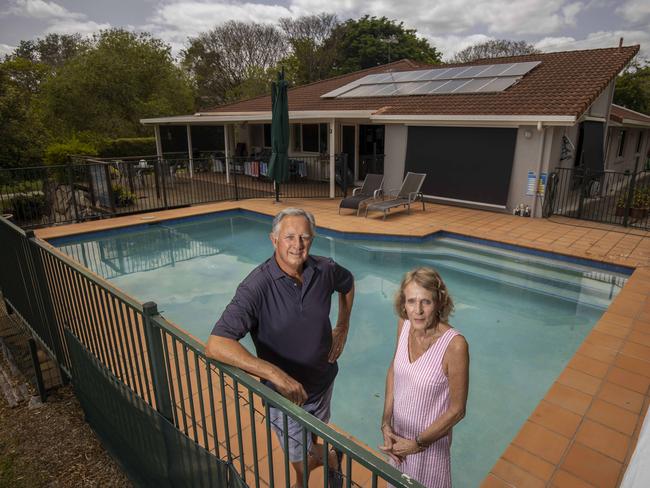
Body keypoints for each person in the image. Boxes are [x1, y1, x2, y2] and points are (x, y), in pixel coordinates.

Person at [205, 208, 355, 487]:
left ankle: (324, 463)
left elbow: (347, 284)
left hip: (322, 384)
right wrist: (275, 374)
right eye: (289, 237)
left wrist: (342, 326)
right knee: (298, 458)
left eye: (304, 237)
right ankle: (327, 462)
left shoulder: (325, 269)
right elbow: (217, 344)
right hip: (283, 398)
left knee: (310, 441)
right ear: (274, 240)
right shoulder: (256, 287)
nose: (297, 245)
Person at [380, 267, 469, 488]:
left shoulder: (455, 345)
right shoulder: (404, 324)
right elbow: (394, 369)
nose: (417, 311)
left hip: (430, 449)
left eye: (426, 302)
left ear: (439, 302)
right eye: (411, 301)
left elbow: (457, 410)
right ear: (403, 303)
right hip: (399, 442)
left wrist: (418, 444)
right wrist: (386, 423)